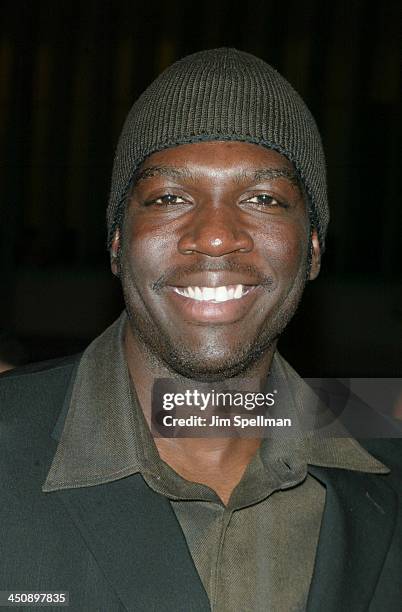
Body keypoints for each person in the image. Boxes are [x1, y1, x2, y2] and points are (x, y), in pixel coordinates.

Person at [0, 48, 401, 612]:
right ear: (117, 242)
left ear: (312, 248)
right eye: (169, 198)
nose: (215, 236)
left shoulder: (377, 450)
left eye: (263, 198)